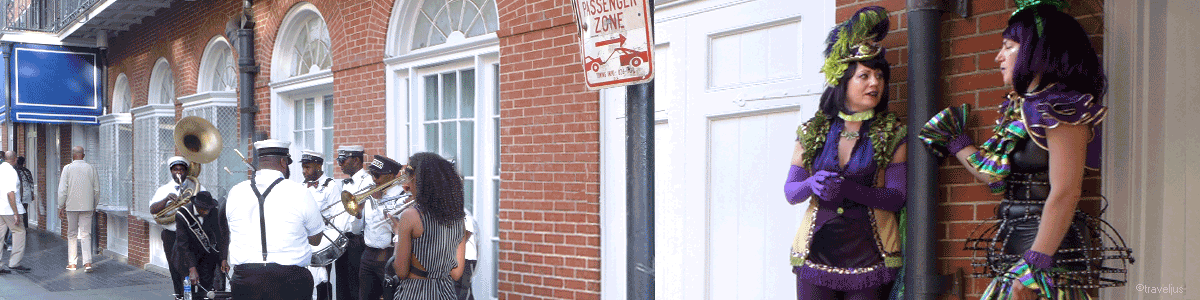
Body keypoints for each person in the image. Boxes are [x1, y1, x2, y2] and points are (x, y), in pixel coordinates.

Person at [919, 2, 1133, 299]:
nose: (998, 57)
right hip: (1015, 254)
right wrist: (957, 143)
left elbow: (1066, 191)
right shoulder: (1022, 108)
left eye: (1008, 46)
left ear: (1036, 50)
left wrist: (1035, 264)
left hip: (1043, 263)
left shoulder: (1061, 108)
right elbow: (995, 175)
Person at [783, 6, 907, 300]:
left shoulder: (892, 133)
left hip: (870, 257)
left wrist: (849, 189)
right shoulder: (813, 131)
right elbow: (790, 191)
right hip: (816, 256)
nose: (875, 83)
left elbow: (898, 197)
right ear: (844, 81)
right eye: (864, 76)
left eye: (879, 76)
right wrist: (811, 184)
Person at [219, 139, 325, 299]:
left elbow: (232, 229)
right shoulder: (300, 192)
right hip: (290, 281)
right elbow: (316, 239)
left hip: (245, 281)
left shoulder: (235, 192)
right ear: (283, 162)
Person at [390, 152, 468, 300]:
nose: (406, 185)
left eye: (409, 179)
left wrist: (397, 235)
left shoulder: (410, 216)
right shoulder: (458, 219)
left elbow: (401, 271)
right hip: (446, 293)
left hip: (414, 293)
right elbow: (457, 274)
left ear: (419, 181)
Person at [150, 156, 204, 297]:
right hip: (171, 236)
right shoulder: (164, 189)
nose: (178, 172)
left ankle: (191, 297)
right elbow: (153, 209)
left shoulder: (196, 187)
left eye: (181, 169)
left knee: (192, 269)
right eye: (175, 169)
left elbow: (206, 207)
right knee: (175, 269)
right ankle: (179, 296)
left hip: (192, 236)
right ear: (171, 171)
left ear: (186, 171)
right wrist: (167, 199)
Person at [356, 155, 407, 300]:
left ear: (390, 175)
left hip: (388, 255)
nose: (373, 179)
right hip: (368, 254)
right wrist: (357, 213)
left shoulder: (402, 197)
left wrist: (379, 202)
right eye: (372, 174)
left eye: (377, 175)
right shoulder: (371, 194)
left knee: (390, 296)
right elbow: (362, 226)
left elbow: (396, 228)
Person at [302, 150, 342, 300]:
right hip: (304, 241)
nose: (304, 171)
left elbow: (337, 215)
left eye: (308, 167)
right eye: (303, 167)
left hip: (322, 241)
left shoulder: (330, 186)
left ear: (319, 165)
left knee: (322, 285)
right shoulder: (301, 186)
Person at [173, 191, 225, 300]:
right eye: (204, 209)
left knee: (206, 292)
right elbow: (183, 244)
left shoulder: (213, 212)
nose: (206, 212)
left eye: (208, 208)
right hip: (185, 258)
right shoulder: (182, 214)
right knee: (187, 293)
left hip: (205, 258)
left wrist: (223, 258)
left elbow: (219, 236)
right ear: (196, 205)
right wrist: (192, 268)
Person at [57, 146, 99, 273]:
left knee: (72, 234)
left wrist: (60, 205)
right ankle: (87, 262)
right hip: (87, 206)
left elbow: (62, 189)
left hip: (71, 206)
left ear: (72, 155)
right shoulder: (91, 168)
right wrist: (94, 204)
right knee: (86, 234)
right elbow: (96, 190)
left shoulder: (67, 168)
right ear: (83, 155)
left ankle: (72, 263)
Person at [336, 145, 369, 300]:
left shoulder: (367, 181)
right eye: (338, 160)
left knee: (356, 287)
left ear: (356, 160)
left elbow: (363, 215)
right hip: (342, 241)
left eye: (343, 160)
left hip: (357, 242)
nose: (340, 164)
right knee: (342, 288)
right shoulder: (344, 183)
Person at [0, 151, 30, 274]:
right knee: (19, 232)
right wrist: (16, 213)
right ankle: (14, 262)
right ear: (15, 159)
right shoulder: (11, 172)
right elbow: (10, 193)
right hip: (9, 208)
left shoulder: (0, 168)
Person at [15, 157, 32, 229]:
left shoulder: (15, 171)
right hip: (27, 194)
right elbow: (31, 182)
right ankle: (25, 226)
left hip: (19, 194)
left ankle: (19, 225)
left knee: (18, 210)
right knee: (25, 210)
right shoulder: (27, 171)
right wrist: (32, 193)